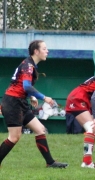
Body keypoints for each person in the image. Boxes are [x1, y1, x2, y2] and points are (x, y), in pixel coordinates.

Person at [0, 40, 68, 168]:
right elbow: (26, 86)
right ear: (36, 51)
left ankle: (50, 163)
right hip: (12, 103)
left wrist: (31, 96)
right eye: (44, 48)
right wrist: (44, 97)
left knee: (40, 129)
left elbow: (21, 84)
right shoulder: (28, 66)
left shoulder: (29, 64)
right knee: (14, 137)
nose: (47, 51)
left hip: (20, 101)